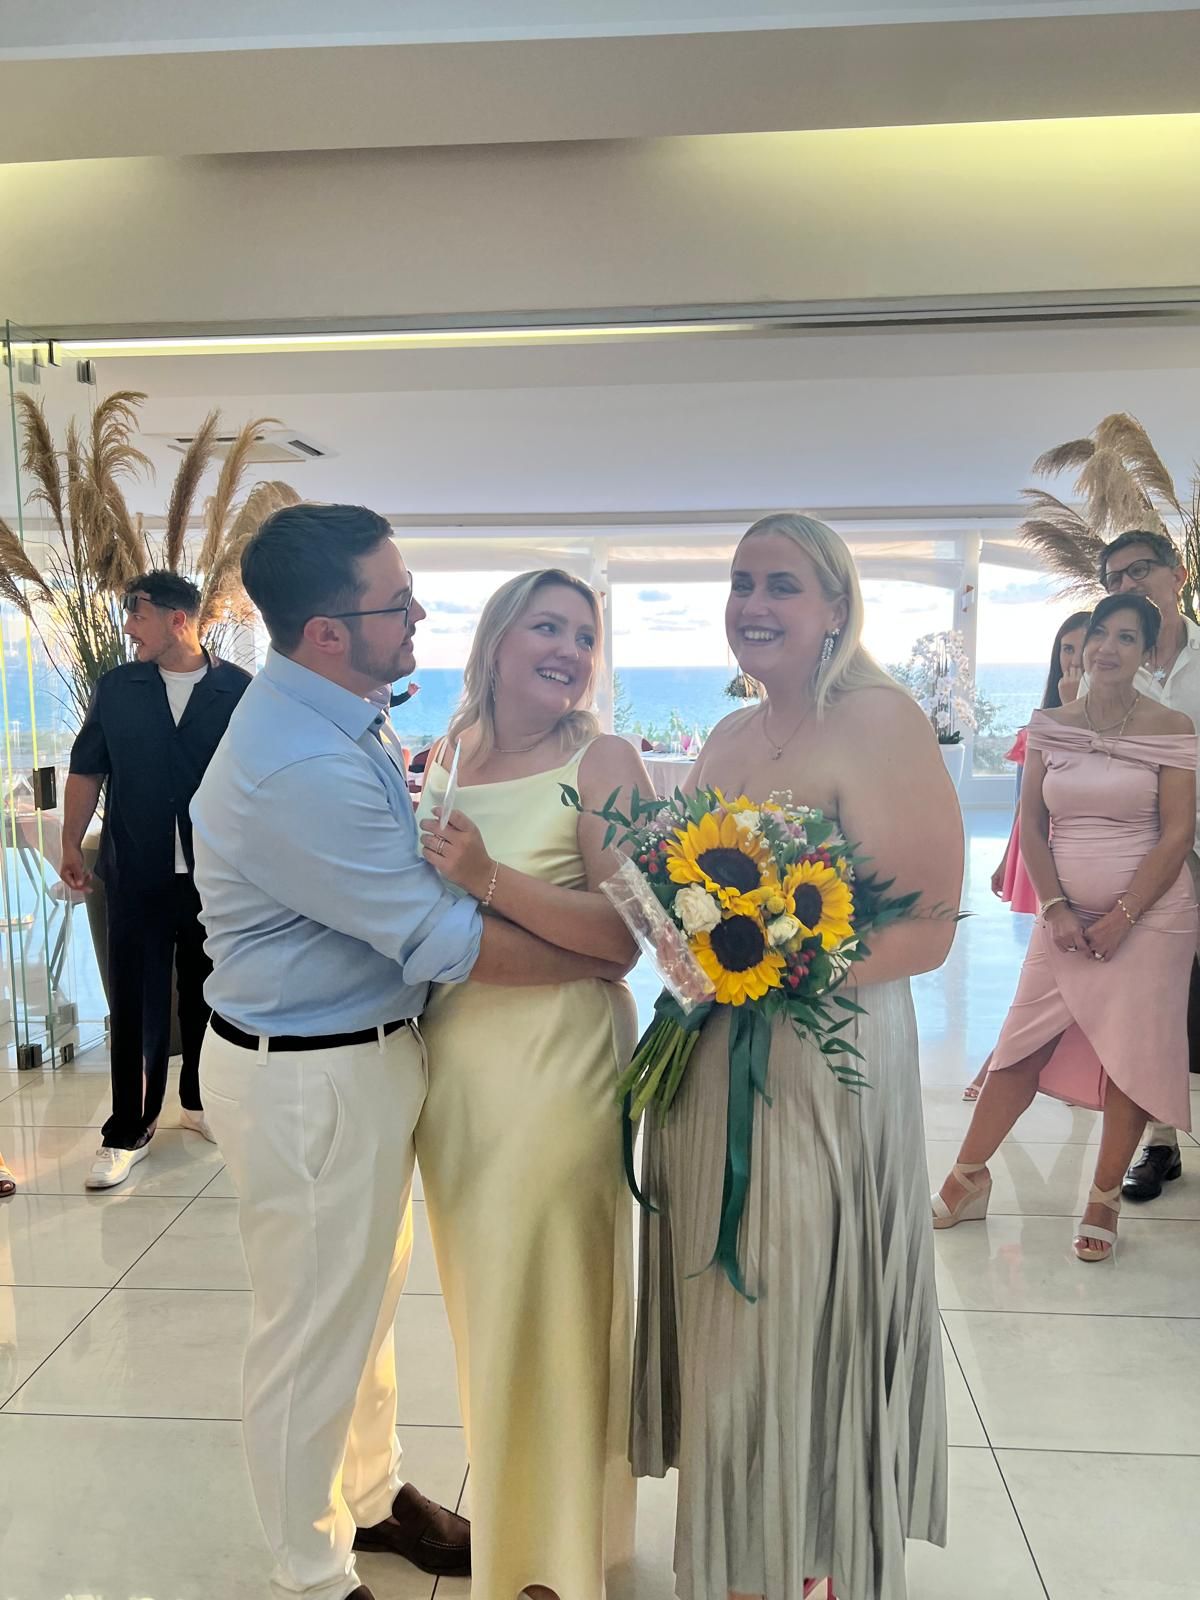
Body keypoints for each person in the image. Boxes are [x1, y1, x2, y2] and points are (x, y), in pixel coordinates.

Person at [191, 505, 631, 1600]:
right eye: (396, 603)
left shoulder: (350, 718)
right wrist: (598, 956)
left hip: (371, 1056)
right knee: (311, 1333)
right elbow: (446, 940)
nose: (419, 613)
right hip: (309, 1071)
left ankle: (374, 1493)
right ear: (328, 632)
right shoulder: (301, 762)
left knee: (365, 1308)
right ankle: (310, 1570)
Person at [632, 513, 963, 1600]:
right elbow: (684, 904)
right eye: (740, 583)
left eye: (780, 584)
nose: (753, 604)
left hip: (827, 1062)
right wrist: (673, 934)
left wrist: (778, 967)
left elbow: (929, 925)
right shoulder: (729, 736)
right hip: (717, 1056)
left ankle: (809, 1550)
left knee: (799, 1295)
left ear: (834, 607)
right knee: (732, 1308)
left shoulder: (881, 720)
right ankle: (746, 1547)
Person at [414, 569, 650, 1600]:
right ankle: (531, 1542)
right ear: (498, 640)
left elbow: (629, 936)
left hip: (561, 1072)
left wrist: (490, 879)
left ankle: (552, 1567)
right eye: (547, 626)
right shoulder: (446, 755)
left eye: (584, 635)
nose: (569, 649)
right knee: (491, 1311)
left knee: (555, 1307)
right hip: (456, 1072)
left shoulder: (603, 762)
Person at [934, 593, 1196, 1263]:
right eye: (1099, 634)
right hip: (1064, 918)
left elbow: (1177, 834)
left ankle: (1104, 1195)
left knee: (1132, 1056)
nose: (1106, 648)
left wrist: (1125, 915)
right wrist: (1053, 906)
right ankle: (968, 1176)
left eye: (1126, 638)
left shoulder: (1172, 727)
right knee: (1020, 1043)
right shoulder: (1049, 723)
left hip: (1153, 920)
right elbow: (1031, 821)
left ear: (1147, 653)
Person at [59, 570, 251, 1190]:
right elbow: (87, 769)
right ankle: (128, 1129)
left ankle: (199, 1101)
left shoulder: (237, 690)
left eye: (137, 615)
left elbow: (260, 781)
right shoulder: (117, 689)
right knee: (136, 1001)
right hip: (135, 872)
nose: (128, 628)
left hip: (217, 876)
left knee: (209, 994)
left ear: (177, 619)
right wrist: (70, 842)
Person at [1083, 531, 1200, 1202]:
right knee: (1152, 1003)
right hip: (1144, 859)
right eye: (1115, 579)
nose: (1128, 586)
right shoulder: (1110, 668)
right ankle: (1161, 1144)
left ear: (1177, 574)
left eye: (1140, 570)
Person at [963, 611, 1091, 1101]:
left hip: (1085, 856)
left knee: (1062, 968)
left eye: (1082, 648)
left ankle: (1005, 1063)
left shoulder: (1121, 722)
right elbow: (1026, 803)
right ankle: (1002, 1063)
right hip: (1044, 853)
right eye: (1066, 649)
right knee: (1046, 962)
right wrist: (1005, 859)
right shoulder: (1043, 723)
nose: (1074, 660)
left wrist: (1077, 707)